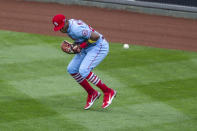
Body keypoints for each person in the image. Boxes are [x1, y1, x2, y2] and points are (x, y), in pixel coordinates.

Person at [52, 14, 116, 109]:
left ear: (65, 22)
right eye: (59, 28)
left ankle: (108, 91)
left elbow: (95, 36)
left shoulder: (75, 29)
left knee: (84, 70)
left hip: (98, 47)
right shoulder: (69, 27)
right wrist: (74, 47)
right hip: (88, 47)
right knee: (72, 69)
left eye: (61, 26)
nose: (61, 29)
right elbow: (82, 39)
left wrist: (80, 46)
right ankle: (92, 93)